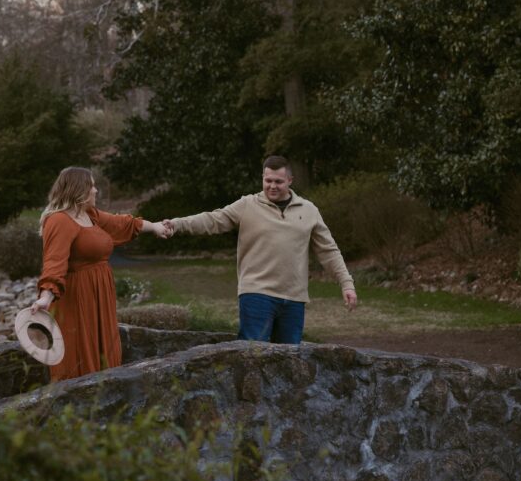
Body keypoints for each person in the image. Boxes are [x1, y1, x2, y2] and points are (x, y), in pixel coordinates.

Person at [163, 155, 357, 344]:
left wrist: (346, 284)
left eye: (278, 181)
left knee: (290, 363)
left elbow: (328, 250)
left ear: (290, 180)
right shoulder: (247, 205)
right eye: (268, 180)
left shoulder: (309, 210)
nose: (272, 186)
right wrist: (177, 224)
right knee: (253, 358)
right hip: (256, 294)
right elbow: (213, 220)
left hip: (294, 299)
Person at [31, 167, 170, 381]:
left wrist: (155, 227)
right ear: (79, 189)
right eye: (92, 186)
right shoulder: (59, 220)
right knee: (80, 351)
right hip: (79, 298)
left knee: (104, 349)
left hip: (100, 295)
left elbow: (122, 223)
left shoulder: (89, 215)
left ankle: (106, 396)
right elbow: (54, 263)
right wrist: (46, 297)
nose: (96, 191)